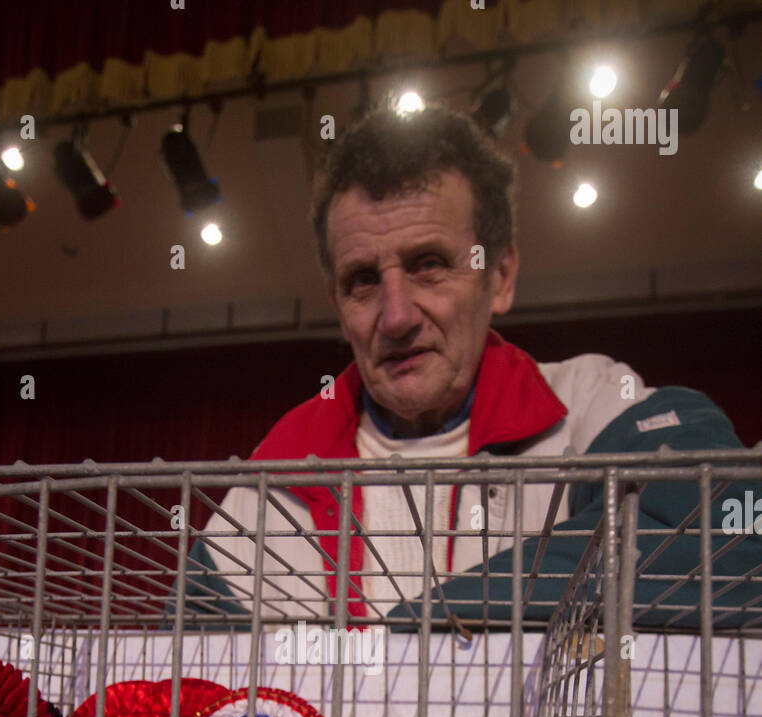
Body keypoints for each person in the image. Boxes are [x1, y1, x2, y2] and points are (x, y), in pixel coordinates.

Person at [184, 101, 758, 630]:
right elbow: (170, 699)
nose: (397, 316)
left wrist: (421, 635)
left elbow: (734, 533)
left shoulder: (590, 407)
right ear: (337, 305)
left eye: (429, 264)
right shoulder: (267, 489)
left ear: (501, 276)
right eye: (362, 280)